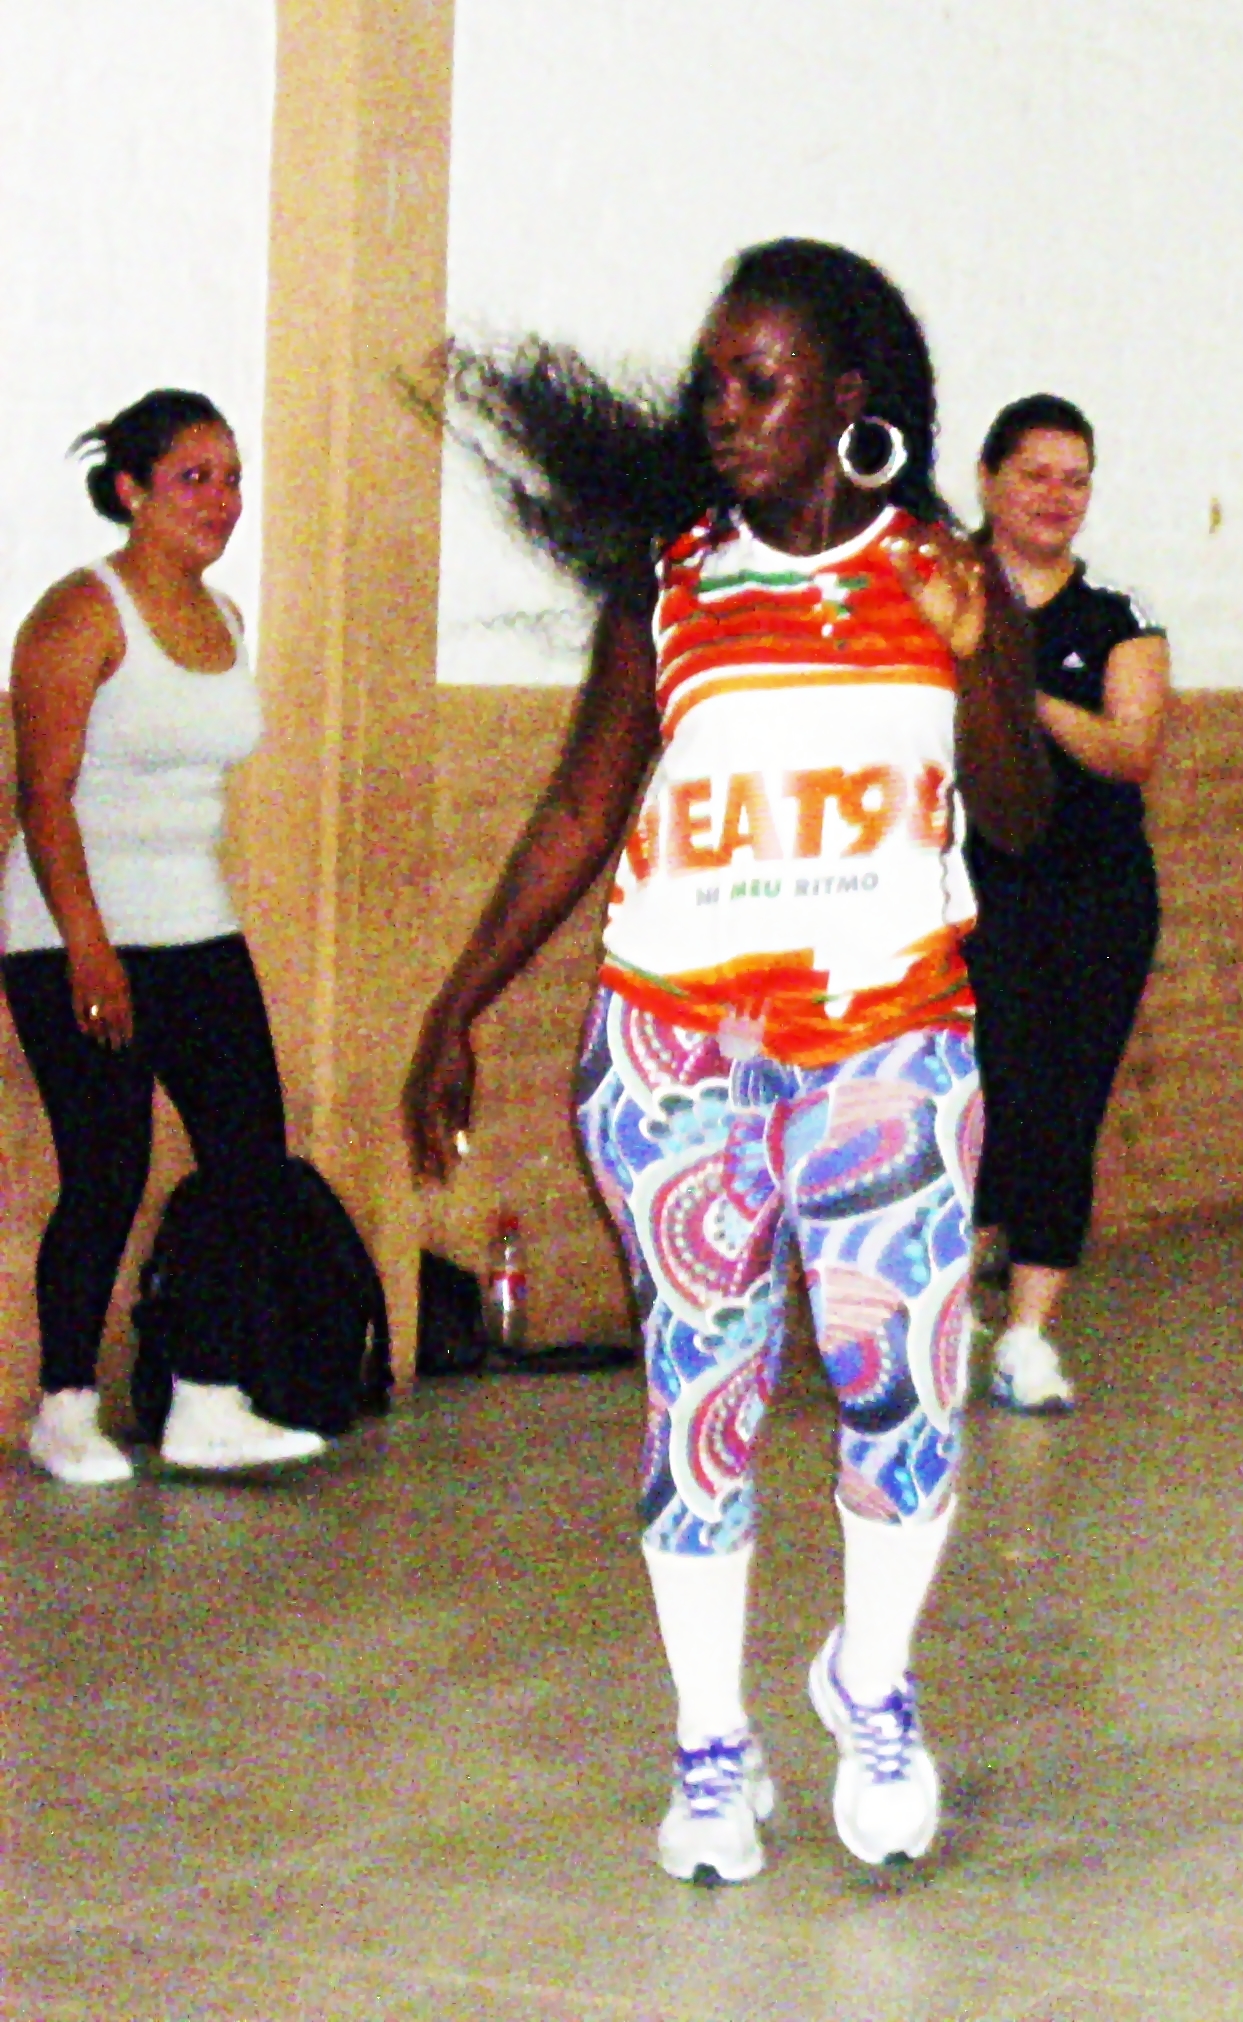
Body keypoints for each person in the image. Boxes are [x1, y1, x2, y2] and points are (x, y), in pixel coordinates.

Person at [400, 241, 1050, 1885]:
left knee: (900, 1388)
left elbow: (1024, 815)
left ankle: (873, 1683)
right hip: (675, 1043)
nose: (726, 412)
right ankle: (709, 1741)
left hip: (885, 1044)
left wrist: (982, 650)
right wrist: (457, 1002)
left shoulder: (941, 575)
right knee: (703, 1394)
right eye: (714, 385)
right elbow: (577, 814)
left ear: (848, 400)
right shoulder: (673, 588)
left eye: (760, 384)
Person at [4, 391, 327, 1483]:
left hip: (196, 920)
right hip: (70, 928)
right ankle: (64, 1405)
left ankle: (208, 1398)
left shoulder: (226, 618)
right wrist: (88, 947)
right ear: (132, 490)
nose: (222, 501)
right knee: (109, 1167)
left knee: (247, 1158)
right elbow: (43, 797)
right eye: (195, 478)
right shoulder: (76, 614)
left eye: (233, 479)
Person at [962, 395, 1171, 1413]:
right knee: (959, 1103)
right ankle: (934, 1293)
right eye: (1035, 474)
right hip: (957, 895)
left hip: (1091, 901)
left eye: (1075, 477)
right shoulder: (937, 588)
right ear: (989, 480)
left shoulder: (1115, 619)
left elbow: (1131, 751)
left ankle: (1028, 1334)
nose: (1055, 496)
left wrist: (1021, 692)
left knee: (1058, 1110)